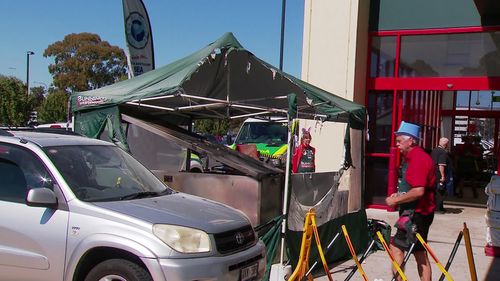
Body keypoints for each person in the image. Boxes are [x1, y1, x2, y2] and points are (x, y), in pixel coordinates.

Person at [385, 121, 436, 281]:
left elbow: (418, 190)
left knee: (396, 247)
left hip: (417, 214)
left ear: (411, 140)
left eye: (400, 141)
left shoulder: (419, 158)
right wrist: (399, 195)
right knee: (419, 252)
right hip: (417, 213)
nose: (397, 145)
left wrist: (396, 200)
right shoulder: (411, 157)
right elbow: (412, 186)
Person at [431, 137, 452, 213]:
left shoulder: (434, 150)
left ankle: (440, 207)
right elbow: (441, 165)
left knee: (436, 190)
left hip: (433, 172)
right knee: (441, 191)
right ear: (446, 144)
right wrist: (443, 176)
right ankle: (437, 208)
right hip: (439, 173)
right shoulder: (443, 152)